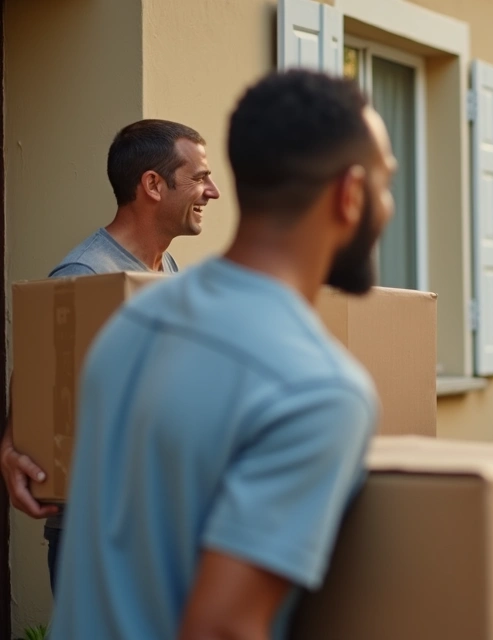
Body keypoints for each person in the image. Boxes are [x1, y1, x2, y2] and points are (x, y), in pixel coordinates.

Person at [48, 69, 396, 639]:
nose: (387, 207)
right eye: (386, 185)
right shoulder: (316, 387)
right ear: (350, 193)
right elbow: (224, 628)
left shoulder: (132, 321)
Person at [0, 118, 220, 594]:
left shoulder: (167, 271)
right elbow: (42, 369)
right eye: (200, 178)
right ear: (153, 185)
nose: (213, 192)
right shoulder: (87, 272)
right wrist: (10, 447)